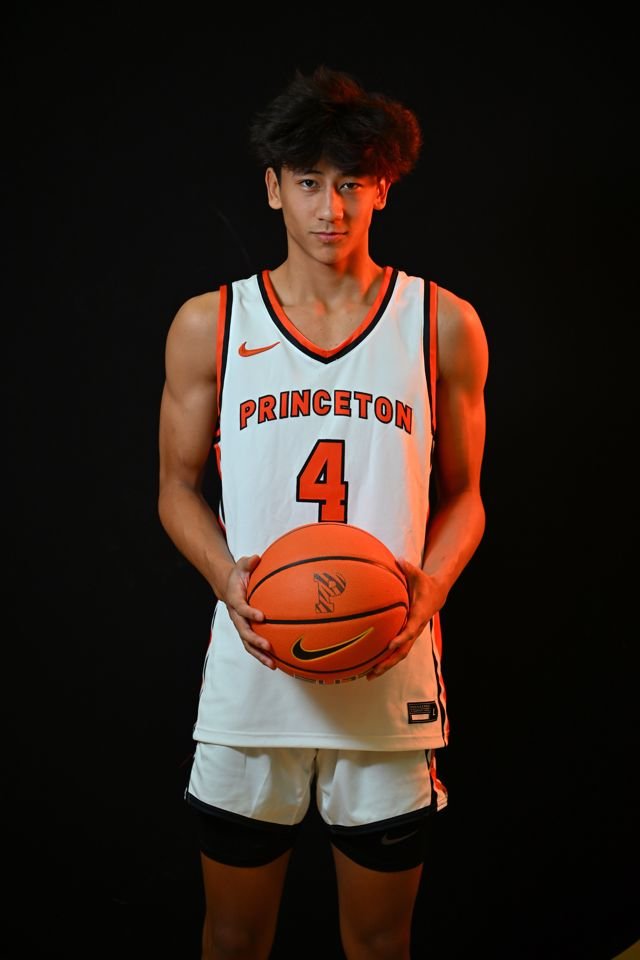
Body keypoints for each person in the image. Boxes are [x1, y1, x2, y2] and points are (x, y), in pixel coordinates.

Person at [158, 64, 488, 960]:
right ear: (273, 188)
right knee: (233, 937)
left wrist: (430, 589)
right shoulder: (211, 323)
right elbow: (175, 489)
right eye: (308, 182)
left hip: (388, 673)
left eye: (351, 183)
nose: (329, 208)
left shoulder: (442, 323)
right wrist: (227, 578)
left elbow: (466, 497)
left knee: (380, 944)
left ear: (383, 188)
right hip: (254, 677)